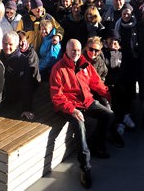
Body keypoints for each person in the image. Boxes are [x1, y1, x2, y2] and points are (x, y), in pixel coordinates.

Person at [49, 39, 114, 189]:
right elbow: (56, 96)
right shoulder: (58, 69)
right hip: (68, 105)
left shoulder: (85, 65)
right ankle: (85, 168)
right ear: (66, 50)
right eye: (73, 51)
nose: (76, 53)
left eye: (78, 50)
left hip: (87, 101)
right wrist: (72, 110)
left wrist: (109, 95)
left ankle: (96, 145)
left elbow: (96, 83)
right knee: (80, 125)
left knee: (109, 115)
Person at [0, 31, 40, 120]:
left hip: (14, 99)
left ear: (16, 45)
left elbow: (26, 85)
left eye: (10, 44)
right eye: (5, 44)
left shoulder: (21, 61)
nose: (7, 47)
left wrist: (27, 108)